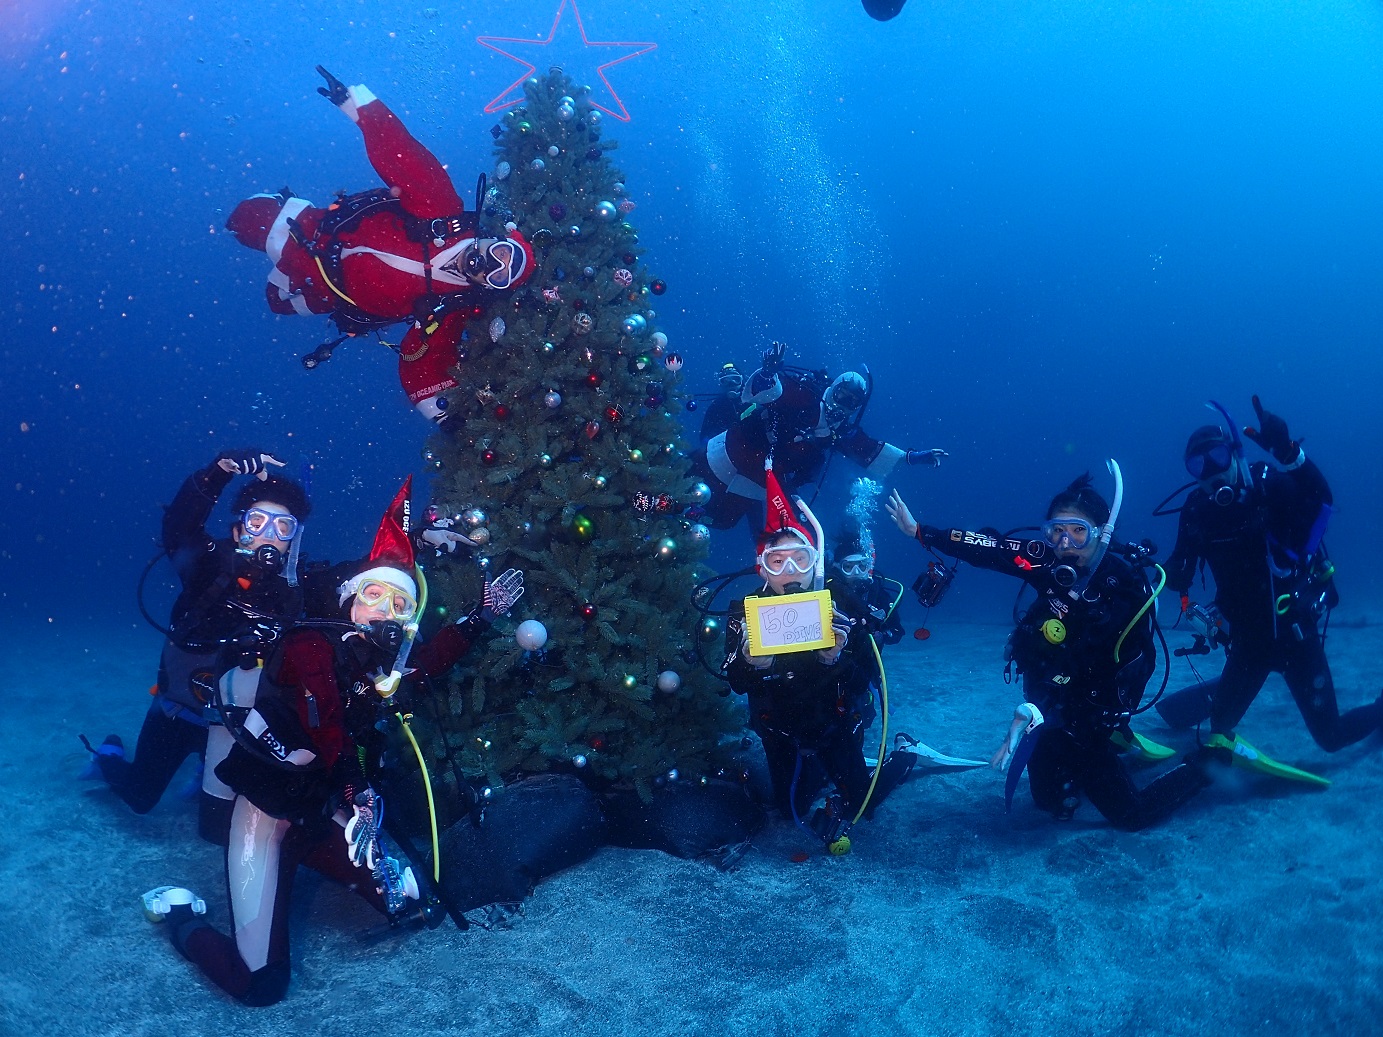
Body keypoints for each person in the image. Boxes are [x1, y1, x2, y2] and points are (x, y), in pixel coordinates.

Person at [143, 480, 525, 1006]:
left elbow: (428, 664)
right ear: (347, 602)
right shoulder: (309, 646)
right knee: (261, 986)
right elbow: (324, 725)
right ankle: (182, 917)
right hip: (267, 814)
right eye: (372, 594)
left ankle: (314, 854)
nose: (384, 609)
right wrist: (359, 795)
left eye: (398, 601)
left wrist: (478, 617)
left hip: (324, 812)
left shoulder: (382, 668)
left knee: (413, 904)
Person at [888, 471, 1210, 831]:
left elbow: (1124, 660)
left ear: (1101, 532)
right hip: (1049, 701)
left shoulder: (1124, 581)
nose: (1065, 542)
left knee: (1131, 816)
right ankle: (1089, 758)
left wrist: (1067, 711)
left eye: (1078, 530)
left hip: (1093, 705)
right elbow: (988, 549)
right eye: (1057, 530)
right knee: (1048, 800)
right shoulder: (1045, 560)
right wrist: (920, 531)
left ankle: (1204, 766)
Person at [224, 67, 535, 423]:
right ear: (493, 239)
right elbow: (402, 155)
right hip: (314, 232)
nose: (489, 266)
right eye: (500, 255)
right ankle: (277, 204)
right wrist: (357, 105)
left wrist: (439, 411)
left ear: (490, 288)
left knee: (274, 302)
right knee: (243, 220)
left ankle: (285, 272)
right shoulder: (442, 207)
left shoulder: (452, 305)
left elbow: (423, 359)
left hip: (326, 292)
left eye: (498, 276)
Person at [82, 449, 311, 843]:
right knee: (139, 797)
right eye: (258, 521)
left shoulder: (299, 588)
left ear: (294, 539)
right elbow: (179, 529)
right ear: (239, 531)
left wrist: (416, 541)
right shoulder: (207, 567)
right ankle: (109, 756)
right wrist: (217, 473)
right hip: (177, 715)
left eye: (283, 527)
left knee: (235, 815)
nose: (269, 535)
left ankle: (202, 769)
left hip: (236, 729)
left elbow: (359, 584)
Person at [1163, 396, 1382, 766]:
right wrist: (1146, 567)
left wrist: (1289, 452)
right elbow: (1179, 568)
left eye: (1216, 457)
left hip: (1295, 637)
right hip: (1248, 643)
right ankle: (1226, 695)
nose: (1210, 471)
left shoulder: (1267, 487)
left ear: (1234, 454)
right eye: (1197, 465)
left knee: (1331, 737)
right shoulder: (1197, 510)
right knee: (1218, 731)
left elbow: (1322, 500)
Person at [722, 466, 920, 849]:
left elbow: (869, 676)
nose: (790, 571)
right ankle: (812, 772)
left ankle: (905, 756)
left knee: (864, 805)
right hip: (778, 729)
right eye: (778, 562)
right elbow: (736, 681)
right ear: (762, 566)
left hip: (835, 724)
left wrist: (835, 659)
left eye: (800, 559)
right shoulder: (744, 611)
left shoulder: (841, 602)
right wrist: (753, 665)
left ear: (815, 560)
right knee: (787, 808)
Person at [691, 341, 947, 530]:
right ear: (833, 389)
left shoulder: (841, 431)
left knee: (723, 520)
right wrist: (768, 374)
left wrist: (912, 457)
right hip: (726, 452)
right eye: (841, 396)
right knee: (685, 476)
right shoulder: (805, 394)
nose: (843, 406)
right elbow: (773, 391)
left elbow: (868, 449)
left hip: (754, 479)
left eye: (852, 404)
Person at [698, 362, 746, 443]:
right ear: (720, 384)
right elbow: (704, 437)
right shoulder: (715, 407)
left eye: (735, 379)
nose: (731, 383)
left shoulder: (753, 400)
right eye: (725, 381)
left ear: (742, 380)